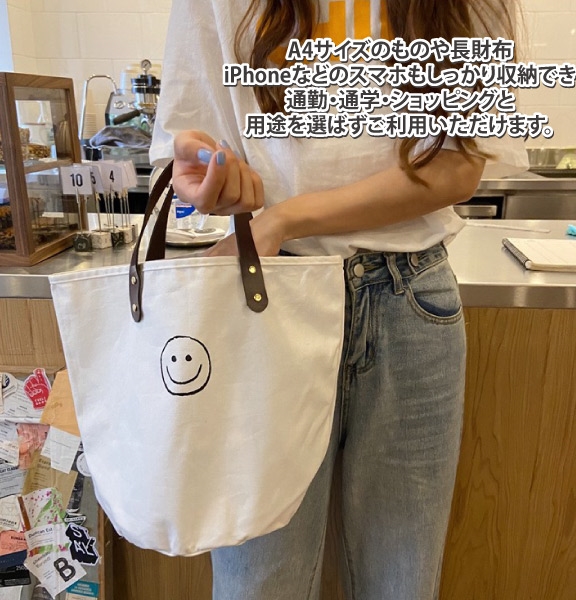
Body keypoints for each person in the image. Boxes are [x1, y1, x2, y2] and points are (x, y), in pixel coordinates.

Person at [150, 0, 528, 598]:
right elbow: (190, 142)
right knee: (257, 583)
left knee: (401, 582)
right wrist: (211, 177)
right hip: (270, 300)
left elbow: (457, 168)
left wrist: (283, 218)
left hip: (410, 299)